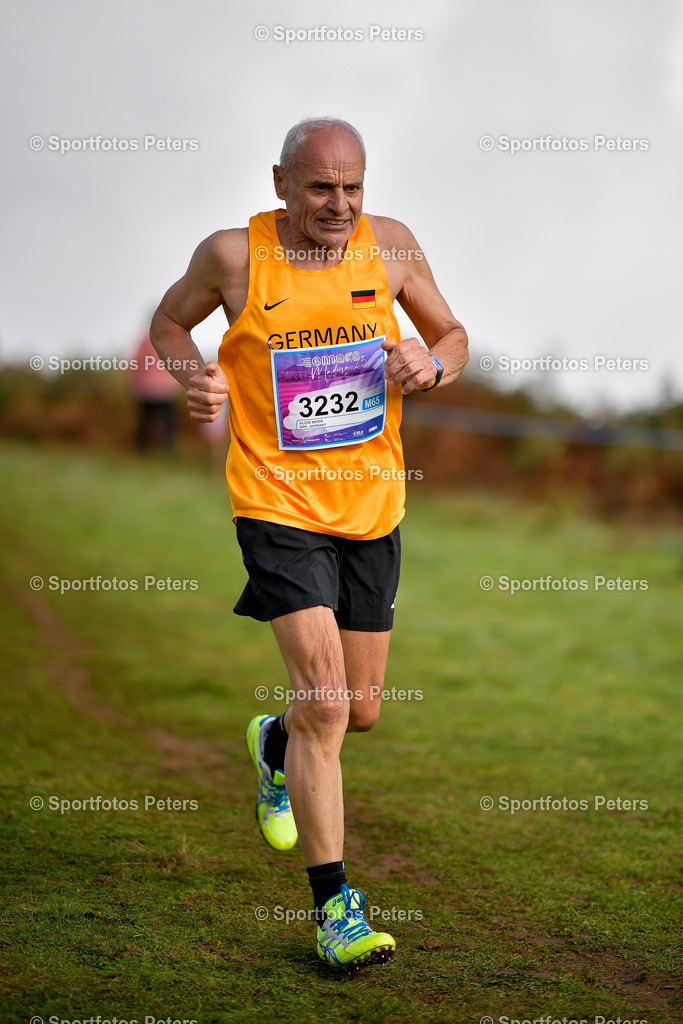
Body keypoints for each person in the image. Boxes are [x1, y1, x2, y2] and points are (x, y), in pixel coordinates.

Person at [150, 116, 469, 969]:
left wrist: (431, 365)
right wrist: (194, 377)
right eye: (321, 187)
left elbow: (453, 335)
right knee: (325, 702)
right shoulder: (232, 257)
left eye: (352, 186)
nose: (339, 204)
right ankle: (336, 911)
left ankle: (273, 744)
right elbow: (170, 323)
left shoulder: (390, 247)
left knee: (358, 712)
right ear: (280, 183)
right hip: (275, 500)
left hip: (371, 507)